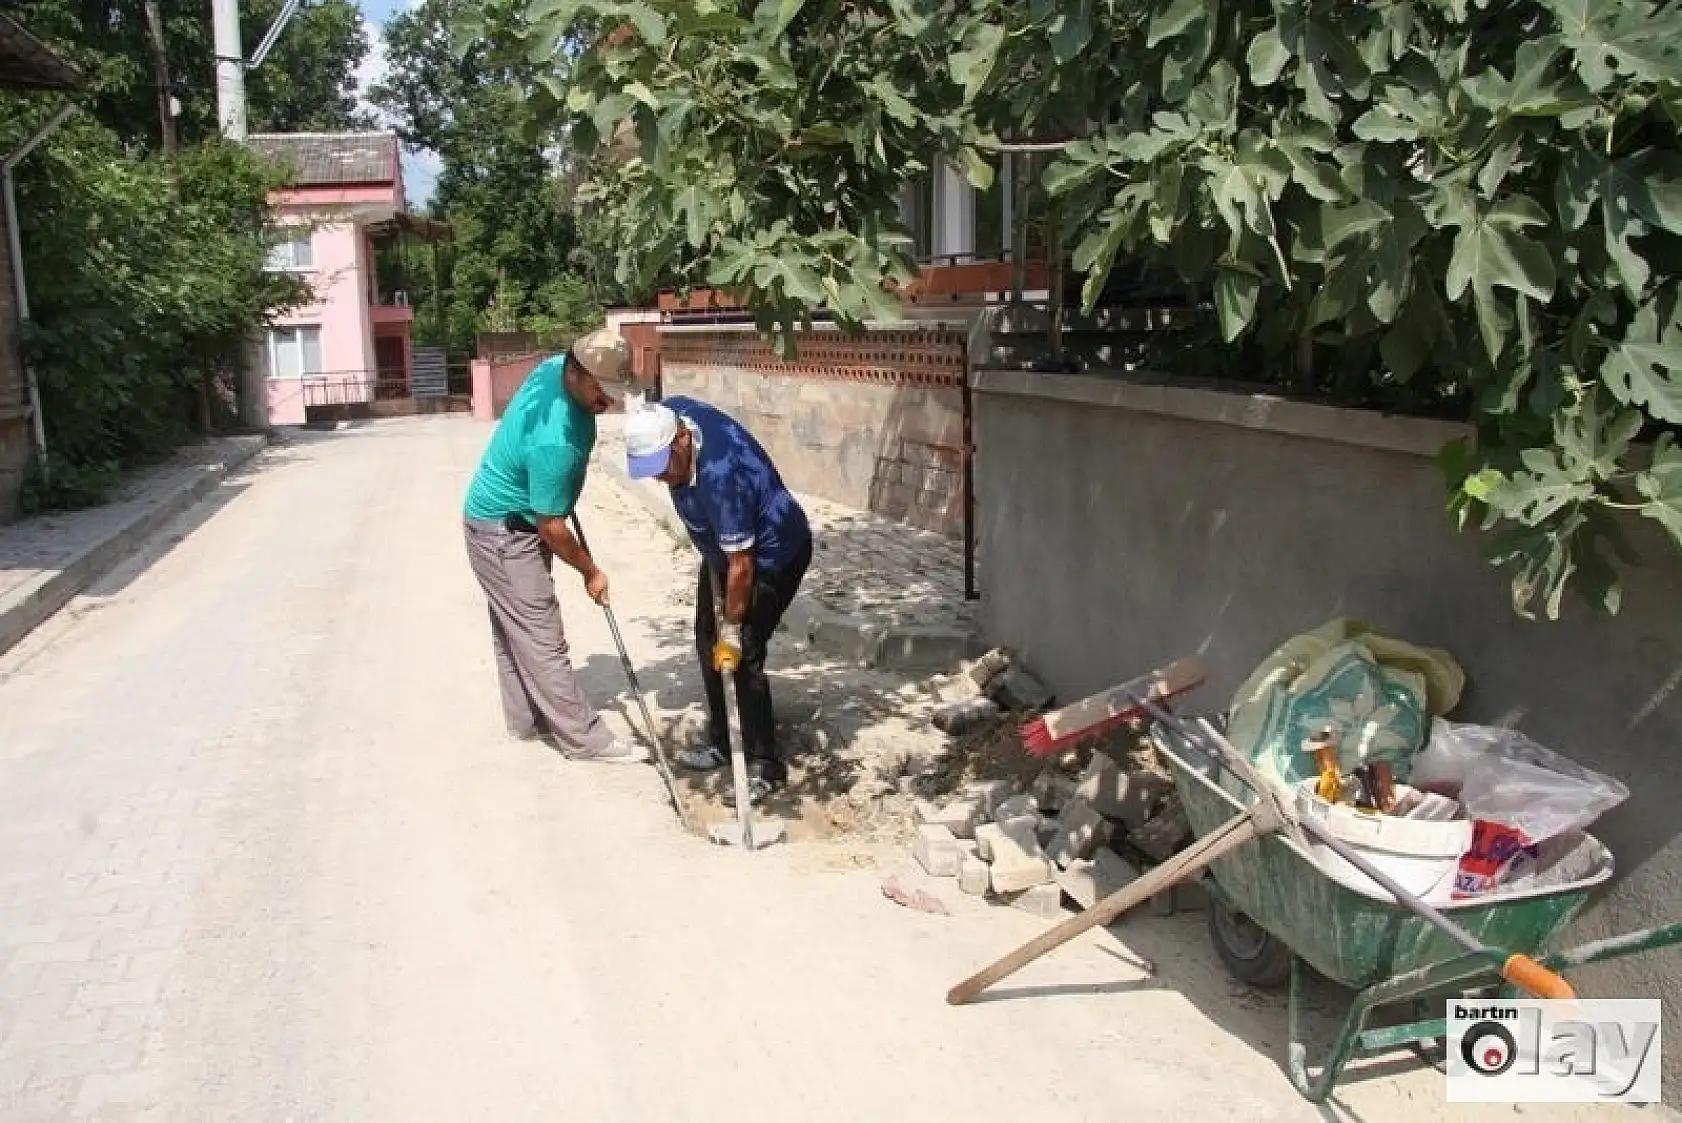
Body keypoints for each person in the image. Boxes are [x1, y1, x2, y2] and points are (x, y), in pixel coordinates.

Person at [462, 328, 646, 764]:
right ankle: (584, 740)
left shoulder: (550, 370)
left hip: (496, 520)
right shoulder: (556, 442)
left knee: (515, 627)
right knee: (542, 636)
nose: (611, 402)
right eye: (604, 391)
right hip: (507, 534)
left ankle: (526, 720)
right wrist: (591, 570)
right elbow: (553, 528)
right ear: (578, 374)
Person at [622, 394, 812, 806]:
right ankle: (724, 741)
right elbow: (660, 402)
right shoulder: (672, 416)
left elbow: (742, 567)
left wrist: (732, 627)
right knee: (706, 639)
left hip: (768, 556)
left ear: (682, 442)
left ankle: (765, 763)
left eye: (662, 468)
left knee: (741, 651)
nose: (658, 479)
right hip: (723, 556)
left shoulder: (721, 479)